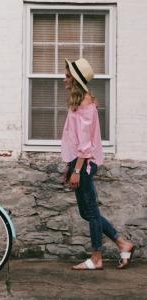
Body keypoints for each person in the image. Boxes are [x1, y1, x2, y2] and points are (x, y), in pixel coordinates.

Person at [61, 58, 134, 270]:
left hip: (84, 163)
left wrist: (77, 169)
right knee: (86, 212)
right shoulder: (78, 102)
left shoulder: (84, 104)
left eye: (67, 76)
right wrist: (69, 165)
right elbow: (74, 139)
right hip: (77, 162)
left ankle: (96, 258)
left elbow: (85, 143)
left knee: (91, 212)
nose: (64, 79)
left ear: (75, 80)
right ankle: (123, 243)